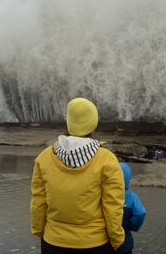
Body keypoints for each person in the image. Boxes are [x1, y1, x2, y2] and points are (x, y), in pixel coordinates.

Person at [30, 98, 125, 253]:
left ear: (69, 122)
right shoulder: (106, 160)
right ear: (93, 123)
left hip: (53, 242)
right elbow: (113, 206)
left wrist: (39, 231)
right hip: (94, 243)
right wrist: (117, 239)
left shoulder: (44, 157)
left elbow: (38, 201)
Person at [116, 162, 146, 254]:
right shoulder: (131, 196)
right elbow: (140, 214)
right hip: (125, 241)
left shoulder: (104, 194)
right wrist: (131, 226)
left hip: (104, 242)